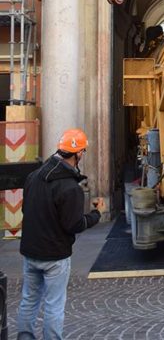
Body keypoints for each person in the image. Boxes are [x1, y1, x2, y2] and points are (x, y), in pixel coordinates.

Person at [17, 128, 107, 340]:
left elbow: (25, 209)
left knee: (28, 300)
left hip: (30, 251)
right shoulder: (69, 188)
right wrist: (97, 213)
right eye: (82, 151)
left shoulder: (33, 176)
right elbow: (74, 225)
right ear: (78, 154)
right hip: (55, 256)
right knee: (53, 306)